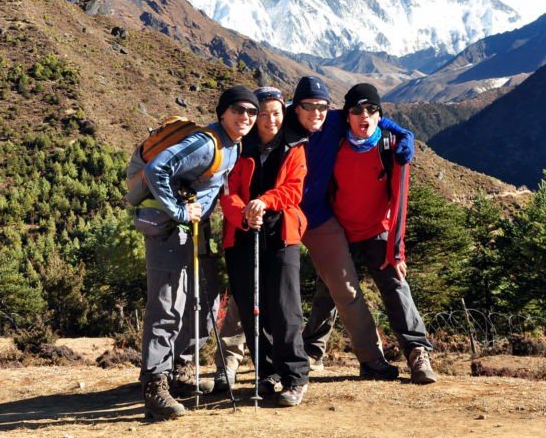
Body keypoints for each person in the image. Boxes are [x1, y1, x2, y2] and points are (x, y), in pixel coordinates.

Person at [138, 85, 259, 420]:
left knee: (205, 303)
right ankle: (155, 384)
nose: (246, 117)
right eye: (239, 110)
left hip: (195, 228)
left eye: (251, 112)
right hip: (168, 227)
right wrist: (178, 211)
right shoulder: (206, 143)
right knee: (167, 305)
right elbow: (155, 170)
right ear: (223, 113)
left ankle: (180, 370)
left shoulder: (234, 144)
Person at [284, 77, 414, 379]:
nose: (316, 112)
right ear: (295, 107)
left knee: (345, 288)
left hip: (318, 217)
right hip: (281, 216)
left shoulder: (332, 121)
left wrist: (403, 132)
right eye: (308, 106)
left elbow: (369, 114)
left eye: (322, 107)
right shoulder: (280, 125)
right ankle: (234, 362)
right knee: (262, 289)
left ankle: (371, 360)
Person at [330, 83, 437, 384]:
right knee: (330, 290)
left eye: (372, 109)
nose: (364, 115)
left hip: (378, 228)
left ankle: (417, 353)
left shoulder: (391, 147)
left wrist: (397, 251)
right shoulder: (333, 140)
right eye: (357, 110)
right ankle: (312, 351)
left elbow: (399, 202)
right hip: (340, 228)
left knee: (395, 284)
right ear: (346, 115)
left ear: (380, 114)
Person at [221, 86, 310, 406]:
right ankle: (267, 372)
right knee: (251, 308)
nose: (270, 119)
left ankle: (295, 376)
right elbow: (227, 190)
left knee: (285, 308)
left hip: (281, 234)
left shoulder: (295, 146)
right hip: (241, 235)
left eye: (276, 113)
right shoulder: (237, 147)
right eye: (263, 113)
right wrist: (243, 214)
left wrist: (263, 202)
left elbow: (293, 190)